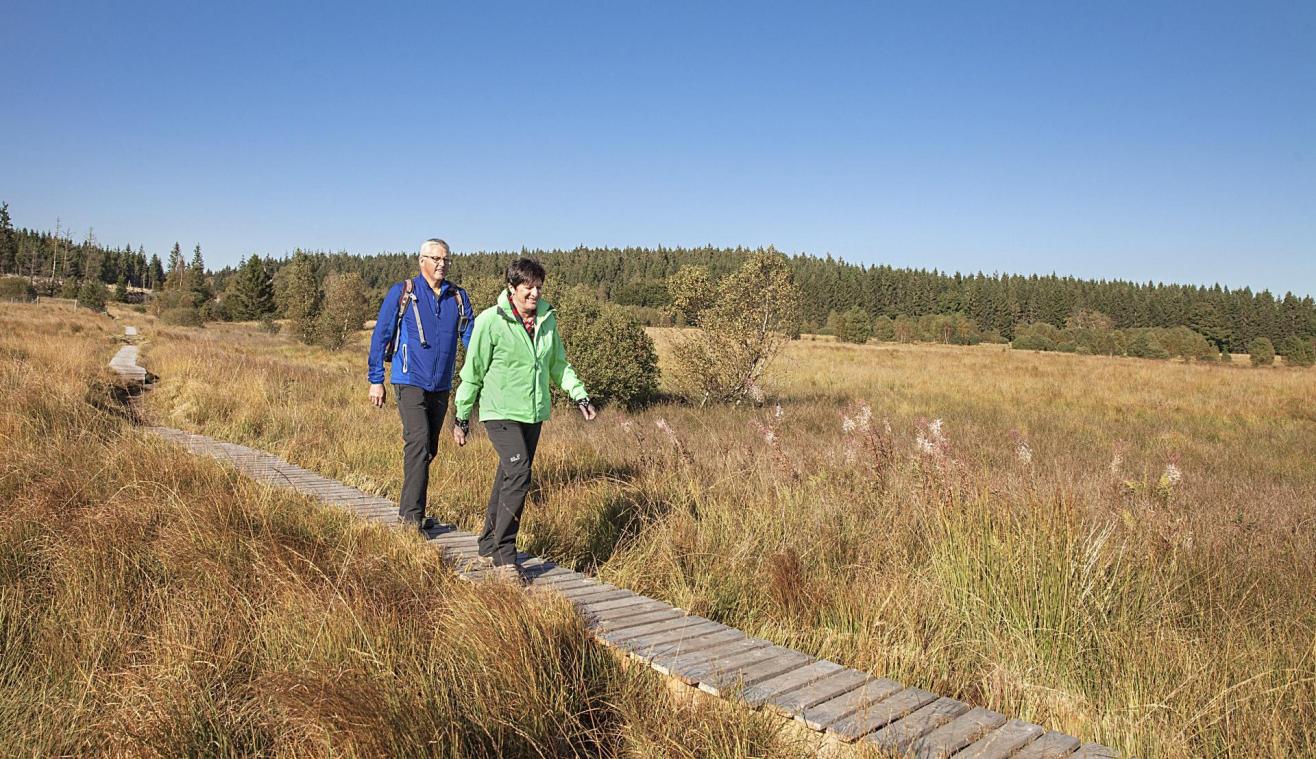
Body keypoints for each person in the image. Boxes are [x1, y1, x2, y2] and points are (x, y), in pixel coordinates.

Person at [453, 257, 596, 581]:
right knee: (519, 474)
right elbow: (472, 372)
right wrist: (462, 418)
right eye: (527, 287)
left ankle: (488, 543)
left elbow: (558, 364)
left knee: (508, 476)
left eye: (538, 287)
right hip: (499, 411)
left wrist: (579, 395)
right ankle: (505, 557)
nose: (534, 293)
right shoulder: (491, 321)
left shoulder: (547, 320)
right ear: (511, 287)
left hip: (533, 412)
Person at [367, 239, 473, 533]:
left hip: (440, 384)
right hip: (408, 378)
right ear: (421, 260)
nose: (442, 264)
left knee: (429, 449)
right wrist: (376, 379)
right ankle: (410, 521)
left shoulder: (458, 298)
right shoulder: (403, 292)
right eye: (436, 258)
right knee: (419, 441)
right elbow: (381, 335)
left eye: (446, 260)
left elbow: (472, 341)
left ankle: (412, 510)